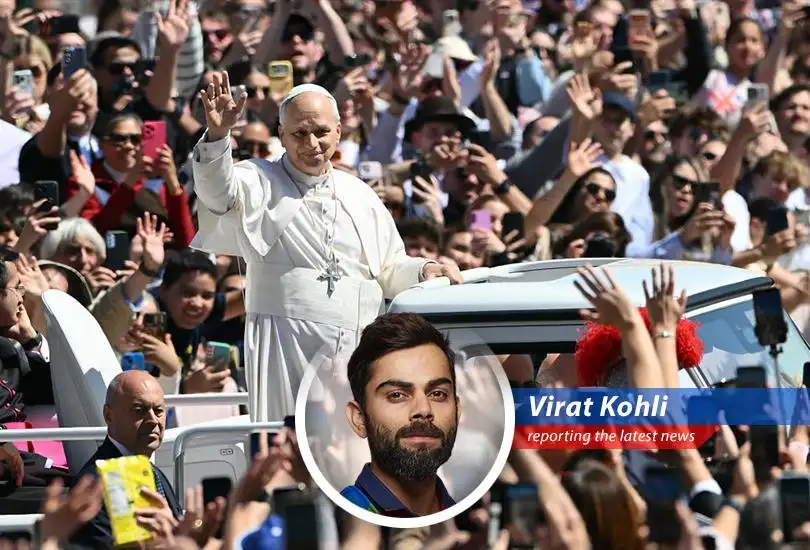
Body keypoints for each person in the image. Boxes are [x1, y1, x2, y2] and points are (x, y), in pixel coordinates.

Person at [191, 73, 463, 422]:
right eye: (299, 133)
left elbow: (389, 269)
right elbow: (216, 193)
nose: (312, 143)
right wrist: (217, 136)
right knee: (289, 440)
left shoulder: (360, 194)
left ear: (338, 131)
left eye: (320, 131)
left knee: (354, 441)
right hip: (286, 345)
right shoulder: (257, 179)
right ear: (282, 135)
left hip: (357, 349)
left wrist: (425, 269)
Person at [341, 313, 460, 517]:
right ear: (359, 419)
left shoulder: (466, 518)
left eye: (437, 394)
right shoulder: (340, 522)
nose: (424, 410)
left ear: (458, 411)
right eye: (397, 395)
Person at [69, 370, 182, 548]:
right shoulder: (95, 486)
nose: (153, 420)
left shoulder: (154, 473)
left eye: (158, 410)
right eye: (139, 411)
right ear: (109, 416)